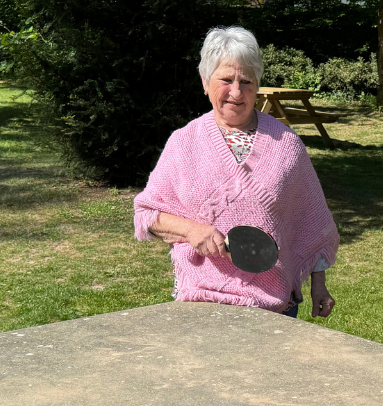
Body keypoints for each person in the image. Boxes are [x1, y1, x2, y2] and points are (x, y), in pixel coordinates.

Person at [133, 26, 339, 318]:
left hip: (273, 307)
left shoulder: (286, 145)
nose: (237, 92)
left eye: (247, 81)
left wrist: (319, 284)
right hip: (200, 303)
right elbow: (147, 214)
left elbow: (312, 225)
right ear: (205, 82)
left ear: (258, 85)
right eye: (226, 80)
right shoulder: (184, 143)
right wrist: (191, 230)